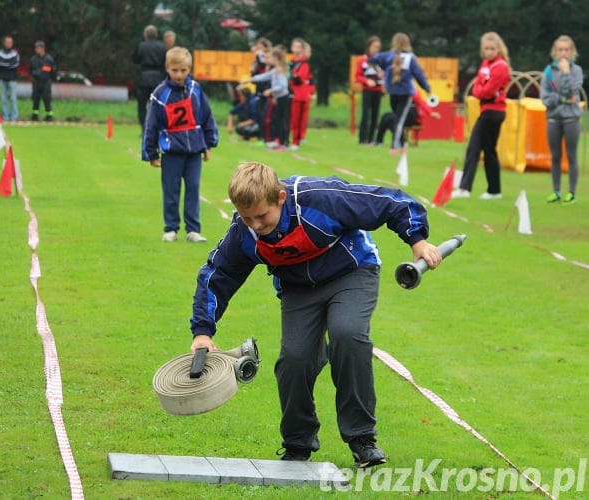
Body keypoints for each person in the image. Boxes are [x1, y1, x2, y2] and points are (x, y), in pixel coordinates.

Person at [189, 162, 442, 467]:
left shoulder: (320, 198)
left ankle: (362, 438)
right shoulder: (243, 232)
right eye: (246, 218)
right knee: (295, 359)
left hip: (351, 272)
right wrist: (203, 331)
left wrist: (418, 241)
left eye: (261, 216)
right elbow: (218, 274)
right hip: (299, 289)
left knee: (347, 335)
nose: (255, 225)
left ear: (280, 197)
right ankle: (298, 443)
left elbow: (390, 202)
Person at [142, 47, 218, 243]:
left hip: (194, 151)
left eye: (183, 70)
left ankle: (193, 230)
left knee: (193, 188)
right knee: (171, 190)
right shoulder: (160, 93)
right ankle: (171, 229)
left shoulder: (196, 90)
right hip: (171, 152)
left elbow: (207, 117)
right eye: (175, 70)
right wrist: (151, 153)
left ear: (189, 69)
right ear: (167, 68)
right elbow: (151, 124)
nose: (179, 75)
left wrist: (208, 144)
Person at [452, 32, 511, 200]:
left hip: (494, 111)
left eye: (492, 48)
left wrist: (479, 91)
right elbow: (477, 85)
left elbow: (488, 90)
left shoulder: (501, 66)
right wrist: (479, 91)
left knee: (474, 147)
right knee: (489, 151)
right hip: (486, 109)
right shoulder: (486, 64)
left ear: (498, 49)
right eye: (486, 48)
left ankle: (464, 188)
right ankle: (494, 191)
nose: (489, 51)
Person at [540, 35, 583, 205]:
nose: (563, 53)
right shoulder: (548, 72)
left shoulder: (576, 70)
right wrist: (563, 99)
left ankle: (571, 192)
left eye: (566, 50)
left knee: (571, 156)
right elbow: (545, 98)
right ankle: (555, 191)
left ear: (572, 52)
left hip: (572, 118)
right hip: (553, 118)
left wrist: (566, 73)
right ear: (554, 52)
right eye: (560, 50)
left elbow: (573, 90)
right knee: (555, 156)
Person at [370, 32, 431, 152]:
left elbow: (372, 59)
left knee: (397, 119)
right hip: (405, 93)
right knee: (399, 120)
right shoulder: (410, 58)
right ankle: (395, 146)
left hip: (392, 92)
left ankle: (402, 144)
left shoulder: (388, 56)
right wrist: (426, 87)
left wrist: (382, 71)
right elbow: (418, 75)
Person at [244, 45, 291, 149]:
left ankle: (284, 143)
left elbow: (283, 86)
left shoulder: (280, 71)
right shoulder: (275, 70)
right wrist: (250, 79)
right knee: (277, 120)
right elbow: (264, 76)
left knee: (282, 120)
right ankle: (279, 142)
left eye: (272, 58)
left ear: (277, 59)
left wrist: (270, 90)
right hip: (278, 97)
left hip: (283, 98)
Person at [375, 90, 440, 146]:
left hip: (412, 115)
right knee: (385, 116)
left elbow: (421, 102)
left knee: (394, 119)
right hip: (401, 113)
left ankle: (400, 141)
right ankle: (378, 141)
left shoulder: (412, 91)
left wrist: (431, 113)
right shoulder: (397, 90)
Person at [133, 25, 167, 129]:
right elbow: (165, 62)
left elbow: (135, 59)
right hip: (158, 78)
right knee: (158, 104)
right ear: (156, 35)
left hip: (144, 77)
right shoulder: (162, 47)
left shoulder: (141, 46)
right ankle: (157, 127)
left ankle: (145, 127)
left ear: (145, 35)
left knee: (142, 105)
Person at [355, 35, 384, 145]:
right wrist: (366, 81)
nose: (376, 49)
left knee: (375, 115)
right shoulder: (362, 60)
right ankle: (362, 139)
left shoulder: (381, 60)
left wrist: (383, 75)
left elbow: (385, 73)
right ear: (369, 47)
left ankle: (371, 139)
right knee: (365, 114)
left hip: (378, 90)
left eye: (378, 47)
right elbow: (357, 76)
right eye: (374, 47)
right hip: (367, 90)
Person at [288, 38, 314, 150]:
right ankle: (288, 140)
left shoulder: (304, 63)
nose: (296, 49)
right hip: (291, 92)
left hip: (300, 94)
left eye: (299, 47)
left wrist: (291, 74)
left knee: (297, 119)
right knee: (291, 118)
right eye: (295, 46)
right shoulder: (291, 61)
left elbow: (300, 79)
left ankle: (296, 141)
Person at [250, 38, 272, 141]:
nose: (258, 50)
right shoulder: (257, 60)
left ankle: (265, 137)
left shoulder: (267, 61)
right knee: (259, 113)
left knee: (265, 114)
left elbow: (265, 72)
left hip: (267, 89)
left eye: (260, 47)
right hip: (259, 87)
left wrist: (258, 54)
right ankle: (260, 135)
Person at [0, 35, 19, 121]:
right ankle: (5, 116)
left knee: (13, 99)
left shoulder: (15, 53)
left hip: (12, 79)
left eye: (10, 42)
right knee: (3, 99)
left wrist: (4, 63)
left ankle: (14, 117)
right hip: (2, 79)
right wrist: (8, 64)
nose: (9, 44)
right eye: (7, 42)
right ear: (4, 43)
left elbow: (15, 64)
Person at [30, 40, 55, 122]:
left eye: (38, 48)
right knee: (35, 99)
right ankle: (35, 115)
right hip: (36, 82)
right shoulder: (33, 59)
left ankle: (49, 116)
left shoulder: (49, 59)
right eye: (36, 48)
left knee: (47, 99)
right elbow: (30, 70)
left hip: (46, 82)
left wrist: (44, 76)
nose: (36, 49)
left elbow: (51, 71)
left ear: (42, 48)